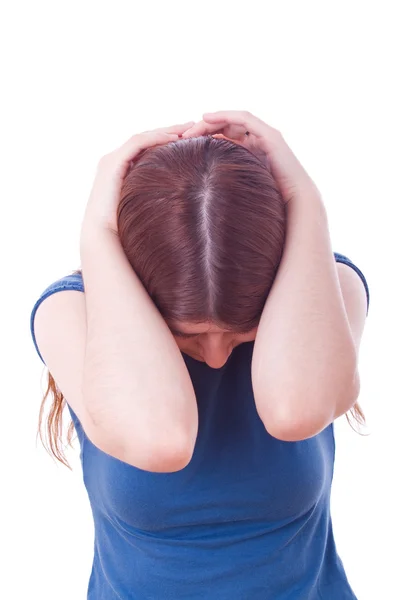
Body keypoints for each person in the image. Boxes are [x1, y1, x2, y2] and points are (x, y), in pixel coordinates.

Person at [30, 110, 370, 599]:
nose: (214, 358)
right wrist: (99, 232)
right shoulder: (71, 312)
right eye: (187, 336)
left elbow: (295, 410)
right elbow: (161, 441)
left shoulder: (328, 287)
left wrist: (303, 199)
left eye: (239, 332)